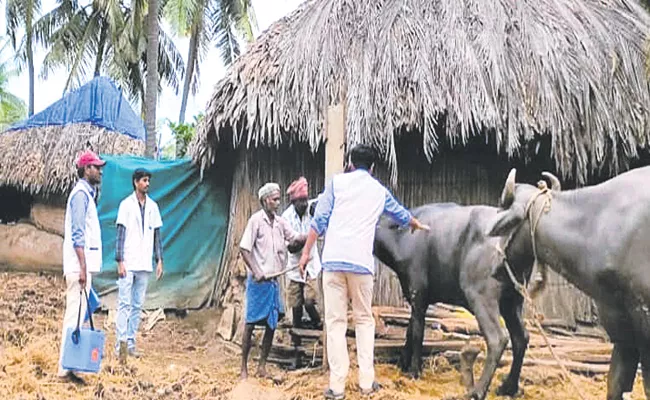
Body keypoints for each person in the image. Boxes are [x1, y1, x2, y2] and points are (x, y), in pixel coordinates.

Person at [299, 144, 430, 399]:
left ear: (349, 163)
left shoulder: (336, 183)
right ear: (372, 168)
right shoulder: (379, 191)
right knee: (363, 321)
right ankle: (367, 383)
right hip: (361, 266)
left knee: (335, 323)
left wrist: (306, 253)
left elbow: (319, 221)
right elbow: (401, 214)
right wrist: (414, 223)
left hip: (333, 263)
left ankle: (336, 388)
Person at [239, 182, 307, 380]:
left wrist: (310, 236)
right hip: (258, 282)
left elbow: (293, 239)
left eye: (278, 199)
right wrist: (257, 271)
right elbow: (245, 249)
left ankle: (261, 367)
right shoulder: (255, 221)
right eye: (274, 199)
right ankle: (243, 368)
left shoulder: (280, 223)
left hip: (274, 282)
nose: (277, 203)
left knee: (271, 326)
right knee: (250, 325)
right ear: (264, 201)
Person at [58, 150, 106, 383]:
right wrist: (83, 267)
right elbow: (78, 235)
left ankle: (73, 366)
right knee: (73, 316)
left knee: (79, 317)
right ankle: (66, 368)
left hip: (82, 266)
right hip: (79, 266)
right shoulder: (80, 195)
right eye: (96, 167)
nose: (100, 171)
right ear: (86, 169)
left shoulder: (87, 194)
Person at [114, 167, 164, 364]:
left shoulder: (153, 206)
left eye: (148, 181)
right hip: (128, 261)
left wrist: (159, 259)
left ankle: (132, 343)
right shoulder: (125, 205)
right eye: (144, 180)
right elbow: (120, 234)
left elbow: (157, 235)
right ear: (136, 182)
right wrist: (119, 260)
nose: (147, 184)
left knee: (137, 305)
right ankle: (120, 345)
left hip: (144, 263)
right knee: (124, 304)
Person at [282, 177, 322, 329]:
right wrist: (310, 237)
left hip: (310, 265)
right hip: (294, 266)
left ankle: (318, 324)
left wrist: (301, 239)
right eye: (301, 201)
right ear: (293, 202)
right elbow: (291, 247)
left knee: (309, 301)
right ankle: (296, 336)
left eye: (305, 199)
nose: (304, 203)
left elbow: (322, 201)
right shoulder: (286, 217)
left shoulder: (312, 208)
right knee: (296, 304)